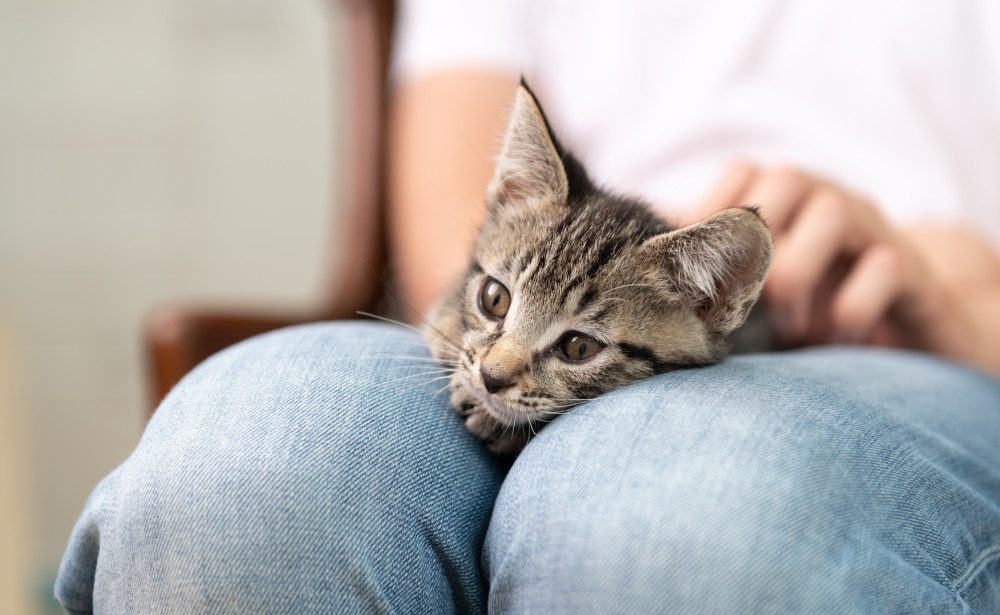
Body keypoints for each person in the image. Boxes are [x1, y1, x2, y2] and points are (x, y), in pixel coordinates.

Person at [57, 1, 1000, 612]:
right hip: (536, 285)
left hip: (903, 340)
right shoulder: (508, 310)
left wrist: (954, 301)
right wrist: (499, 314)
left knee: (669, 525)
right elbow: (457, 243)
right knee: (239, 473)